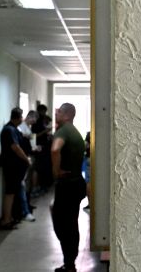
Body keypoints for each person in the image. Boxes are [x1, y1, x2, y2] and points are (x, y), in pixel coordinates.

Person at [50, 103, 87, 272]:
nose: (56, 114)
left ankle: (70, 263)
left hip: (67, 185)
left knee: (64, 225)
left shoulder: (63, 131)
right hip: (77, 183)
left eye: (58, 112)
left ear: (66, 115)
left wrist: (56, 171)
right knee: (70, 223)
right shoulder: (75, 132)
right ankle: (70, 262)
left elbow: (55, 149)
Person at [0, 108, 31, 229]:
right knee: (10, 192)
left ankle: (11, 217)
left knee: (13, 192)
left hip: (14, 167)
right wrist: (26, 159)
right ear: (18, 117)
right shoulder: (9, 130)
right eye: (21, 117)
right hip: (12, 166)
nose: (22, 119)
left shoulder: (13, 129)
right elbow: (15, 147)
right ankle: (6, 220)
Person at [17, 110, 39, 222]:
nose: (34, 122)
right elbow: (22, 141)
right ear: (29, 117)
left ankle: (28, 206)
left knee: (28, 183)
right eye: (33, 119)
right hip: (25, 157)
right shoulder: (21, 127)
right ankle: (24, 210)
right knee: (24, 183)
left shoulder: (27, 127)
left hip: (30, 155)